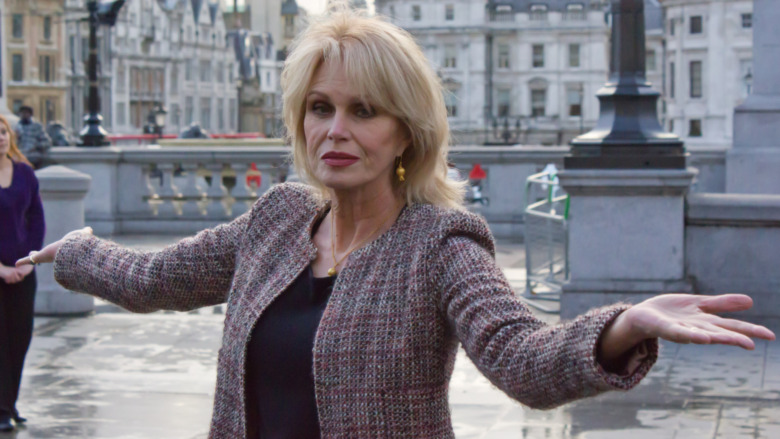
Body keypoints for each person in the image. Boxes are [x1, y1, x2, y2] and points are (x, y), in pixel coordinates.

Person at [17, 9, 774, 439]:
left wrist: (620, 325)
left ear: (406, 131)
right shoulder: (279, 217)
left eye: (363, 110)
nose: (335, 129)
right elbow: (157, 277)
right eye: (320, 107)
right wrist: (76, 251)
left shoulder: (440, 242)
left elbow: (522, 356)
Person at [0, 114, 45, 432]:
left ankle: (10, 403)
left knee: (19, 338)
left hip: (23, 274)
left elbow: (36, 220)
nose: (0, 138)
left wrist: (30, 261)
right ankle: (1, 408)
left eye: (3, 132)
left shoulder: (26, 174)